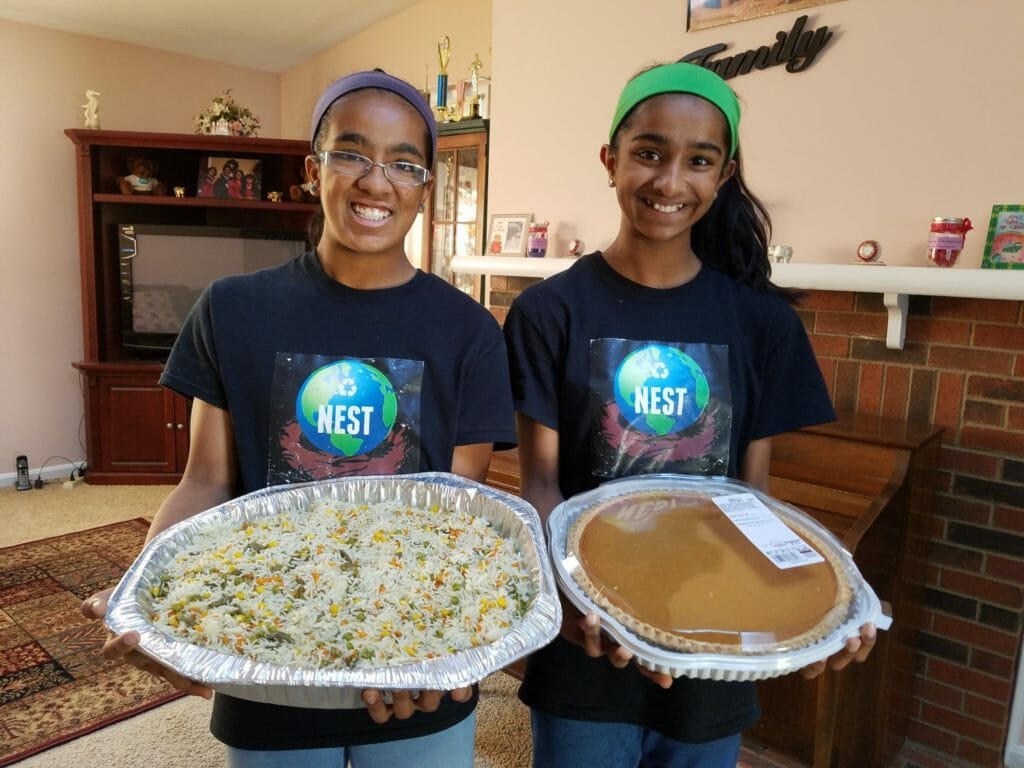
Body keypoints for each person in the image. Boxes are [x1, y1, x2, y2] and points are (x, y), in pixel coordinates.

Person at [82, 69, 516, 768]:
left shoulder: (470, 332)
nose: (377, 181)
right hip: (268, 660)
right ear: (314, 170)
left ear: (425, 188)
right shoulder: (231, 309)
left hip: (414, 671)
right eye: (352, 153)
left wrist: (446, 649)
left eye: (404, 163)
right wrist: (147, 591)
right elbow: (205, 483)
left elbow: (456, 515)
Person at [502, 61, 876, 768]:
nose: (670, 182)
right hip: (589, 649)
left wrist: (833, 604)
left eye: (698, 161)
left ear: (723, 174)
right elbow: (542, 486)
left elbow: (754, 497)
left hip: (717, 640)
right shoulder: (548, 314)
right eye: (648, 153)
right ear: (610, 159)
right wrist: (584, 605)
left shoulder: (761, 321)